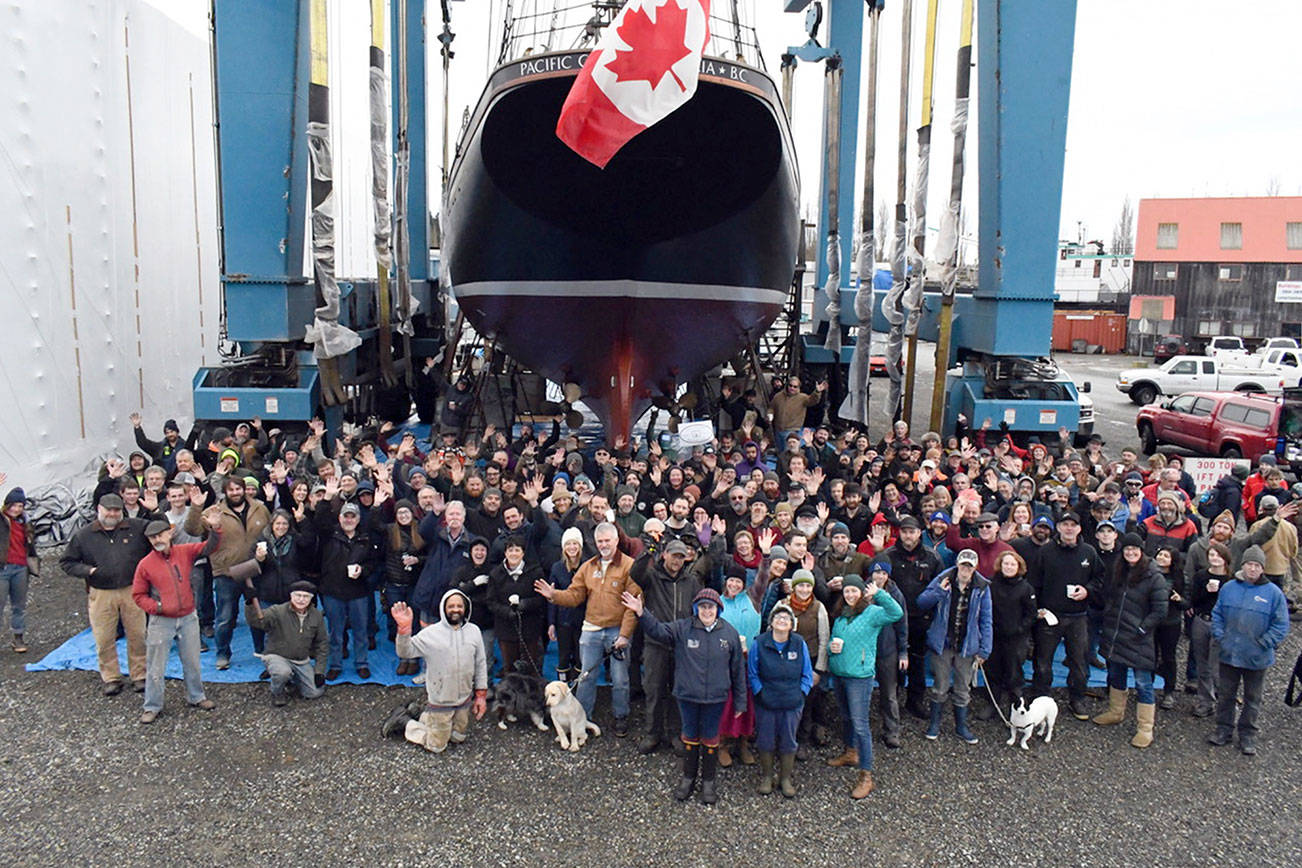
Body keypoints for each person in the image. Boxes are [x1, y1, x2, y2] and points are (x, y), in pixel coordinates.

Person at [621, 587, 747, 805]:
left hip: (716, 698)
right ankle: (688, 778)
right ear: (697, 609)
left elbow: (737, 670)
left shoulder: (730, 634)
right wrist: (642, 613)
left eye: (711, 607)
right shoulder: (682, 628)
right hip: (687, 696)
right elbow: (658, 631)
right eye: (703, 607)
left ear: (718, 610)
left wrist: (740, 701)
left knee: (710, 737)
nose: (707, 611)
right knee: (688, 735)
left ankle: (708, 781)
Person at [535, 522, 641, 736]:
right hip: (591, 629)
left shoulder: (629, 566)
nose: (603, 545)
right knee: (585, 677)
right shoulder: (588, 566)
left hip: (616, 630)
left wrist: (624, 635)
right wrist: (554, 595)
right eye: (600, 541)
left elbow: (632, 606)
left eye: (607, 541)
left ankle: (620, 716)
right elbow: (575, 595)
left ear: (616, 541)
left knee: (620, 680)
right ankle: (581, 717)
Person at [131, 517, 222, 723]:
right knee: (155, 666)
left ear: (169, 533)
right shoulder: (145, 565)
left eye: (159, 535)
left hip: (189, 617)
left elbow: (210, 547)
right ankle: (152, 706)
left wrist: (216, 528)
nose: (156, 540)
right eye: (152, 538)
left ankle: (196, 696)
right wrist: (158, 608)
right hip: (161, 621)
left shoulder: (185, 551)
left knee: (193, 661)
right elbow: (138, 595)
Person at [59, 494, 152, 695]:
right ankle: (111, 677)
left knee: (137, 634)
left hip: (132, 590)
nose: (112, 513)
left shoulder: (136, 527)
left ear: (122, 511)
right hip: (100, 593)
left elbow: (160, 528)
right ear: (99, 509)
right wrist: (89, 571)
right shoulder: (83, 535)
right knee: (104, 637)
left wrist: (154, 510)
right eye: (108, 509)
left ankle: (140, 675)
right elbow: (67, 562)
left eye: (116, 510)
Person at [825, 574, 904, 800]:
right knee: (846, 717)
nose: (850, 595)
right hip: (839, 674)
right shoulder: (841, 616)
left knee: (861, 725)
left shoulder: (871, 613)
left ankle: (866, 776)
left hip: (859, 676)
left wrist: (879, 593)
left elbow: (896, 613)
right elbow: (833, 643)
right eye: (847, 591)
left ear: (861, 593)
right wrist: (832, 649)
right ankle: (851, 752)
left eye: (854, 591)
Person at [1208, 545, 1291, 755]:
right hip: (1229, 652)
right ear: (1242, 565)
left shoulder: (1273, 593)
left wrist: (1265, 642)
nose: (1252, 569)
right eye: (1249, 564)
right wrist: (1220, 635)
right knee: (1226, 694)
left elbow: (1281, 624)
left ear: (1262, 568)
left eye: (1257, 565)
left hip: (1257, 657)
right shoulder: (1229, 588)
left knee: (1253, 698)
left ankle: (1248, 734)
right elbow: (1217, 613)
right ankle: (1223, 729)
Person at [1091, 533, 1168, 748]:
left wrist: (1142, 628)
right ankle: (1116, 711)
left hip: (1138, 638)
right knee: (1116, 674)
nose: (1130, 553)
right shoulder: (1118, 571)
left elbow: (1160, 610)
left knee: (1143, 682)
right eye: (1126, 550)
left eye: (1134, 549)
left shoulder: (1154, 576)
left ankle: (1145, 728)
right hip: (1116, 634)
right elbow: (1109, 598)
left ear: (1142, 551)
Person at [185, 476, 270, 670]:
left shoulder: (260, 508)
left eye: (238, 489)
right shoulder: (215, 512)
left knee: (258, 613)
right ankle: (223, 653)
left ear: (244, 489)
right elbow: (192, 529)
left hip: (256, 569)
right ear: (225, 492)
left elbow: (271, 530)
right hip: (226, 573)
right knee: (225, 617)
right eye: (231, 490)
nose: (235, 493)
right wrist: (196, 507)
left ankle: (261, 649)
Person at [1026, 511, 1105, 720]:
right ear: (1058, 528)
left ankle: (1077, 698)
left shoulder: (1089, 552)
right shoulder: (1045, 552)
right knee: (1043, 661)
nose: (1069, 528)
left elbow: (1100, 579)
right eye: (1065, 524)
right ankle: (1040, 697)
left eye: (1073, 525)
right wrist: (1038, 609)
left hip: (1078, 616)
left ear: (1079, 528)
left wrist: (1088, 590)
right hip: (1050, 615)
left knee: (1079, 661)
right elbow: (1034, 583)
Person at [391, 593, 489, 753]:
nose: (455, 610)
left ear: (466, 608)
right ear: (443, 609)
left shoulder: (474, 631)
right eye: (451, 606)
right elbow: (405, 652)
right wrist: (404, 630)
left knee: (458, 738)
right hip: (441, 700)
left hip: (464, 699)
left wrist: (481, 695)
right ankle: (404, 722)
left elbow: (480, 663)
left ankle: (424, 717)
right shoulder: (431, 633)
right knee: (436, 746)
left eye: (459, 606)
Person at [917, 549, 993, 745]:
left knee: (962, 688)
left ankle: (961, 726)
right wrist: (940, 592)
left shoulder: (983, 587)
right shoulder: (944, 578)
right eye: (963, 565)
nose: (965, 569)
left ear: (975, 567)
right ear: (957, 564)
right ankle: (934, 724)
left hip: (967, 646)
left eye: (969, 566)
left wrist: (985, 648)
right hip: (942, 643)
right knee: (939, 687)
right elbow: (922, 602)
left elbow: (986, 619)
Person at [748, 601, 813, 798]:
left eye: (786, 618)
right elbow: (752, 673)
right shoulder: (759, 643)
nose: (782, 620)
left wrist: (801, 693)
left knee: (788, 741)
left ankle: (785, 779)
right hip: (767, 701)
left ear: (792, 624)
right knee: (765, 739)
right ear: (771, 622)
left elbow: (807, 674)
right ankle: (767, 777)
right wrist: (760, 693)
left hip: (792, 702)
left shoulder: (799, 643)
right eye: (778, 617)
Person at [315, 500, 381, 680]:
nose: (349, 520)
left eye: (353, 516)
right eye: (346, 516)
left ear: (358, 519)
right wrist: (326, 499)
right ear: (340, 517)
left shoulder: (365, 539)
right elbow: (320, 521)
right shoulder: (329, 535)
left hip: (358, 592)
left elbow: (373, 563)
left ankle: (362, 663)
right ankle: (335, 665)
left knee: (361, 631)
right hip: (332, 591)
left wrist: (363, 571)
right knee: (336, 632)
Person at [245, 581, 330, 706]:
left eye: (306, 596)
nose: (301, 599)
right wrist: (250, 604)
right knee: (282, 672)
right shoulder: (277, 611)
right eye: (298, 595)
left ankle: (291, 680)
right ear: (291, 595)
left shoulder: (316, 616)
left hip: (301, 660)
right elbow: (257, 622)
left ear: (311, 599)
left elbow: (322, 644)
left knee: (314, 693)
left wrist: (319, 672)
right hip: (277, 656)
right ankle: (277, 692)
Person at [984, 550, 1037, 718]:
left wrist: (1019, 629)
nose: (1009, 567)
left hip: (1015, 639)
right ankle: (993, 705)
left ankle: (1017, 708)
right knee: (993, 671)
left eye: (1012, 564)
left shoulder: (1026, 588)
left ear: (1019, 567)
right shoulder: (991, 585)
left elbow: (1031, 614)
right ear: (1000, 565)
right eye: (1006, 563)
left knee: (1014, 673)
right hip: (994, 637)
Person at [717, 565, 760, 767]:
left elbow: (763, 580)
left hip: (748, 659)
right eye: (731, 580)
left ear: (744, 585)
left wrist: (766, 557)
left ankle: (743, 743)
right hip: (724, 662)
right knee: (727, 703)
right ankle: (723, 744)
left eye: (738, 582)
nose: (734, 584)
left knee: (748, 703)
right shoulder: (718, 602)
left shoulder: (752, 600)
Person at [487, 536, 546, 676]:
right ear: (505, 553)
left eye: (517, 550)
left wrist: (525, 604)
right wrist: (506, 612)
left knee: (531, 668)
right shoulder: (495, 574)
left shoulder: (535, 572)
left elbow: (542, 598)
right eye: (510, 550)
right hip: (506, 629)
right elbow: (491, 601)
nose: (513, 553)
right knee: (510, 668)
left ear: (523, 553)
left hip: (530, 629)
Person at [867, 561, 908, 749]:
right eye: (876, 573)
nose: (880, 577)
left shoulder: (896, 594)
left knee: (889, 694)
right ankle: (860, 731)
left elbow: (902, 624)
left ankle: (892, 731)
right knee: (863, 693)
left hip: (887, 650)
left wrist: (903, 652)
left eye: (884, 573)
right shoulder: (862, 591)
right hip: (865, 649)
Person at [1187, 541, 1231, 718]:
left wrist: (1218, 591)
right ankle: (1205, 702)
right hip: (1202, 620)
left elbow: (1230, 604)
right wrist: (1206, 591)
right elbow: (1195, 601)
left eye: (1218, 555)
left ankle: (1225, 704)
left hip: (1222, 624)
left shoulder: (1231, 580)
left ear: (1225, 558)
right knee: (1202, 663)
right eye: (1211, 555)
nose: (1214, 558)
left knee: (1218, 666)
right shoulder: (1201, 576)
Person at [547, 528, 587, 683]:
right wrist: (551, 623)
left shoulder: (587, 565)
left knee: (580, 656)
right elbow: (552, 597)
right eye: (568, 544)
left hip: (582, 620)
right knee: (563, 657)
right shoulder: (557, 567)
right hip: (563, 620)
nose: (572, 547)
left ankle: (578, 686)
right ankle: (563, 685)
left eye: (575, 544)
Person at [1, 485, 37, 653]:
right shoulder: (1, 520)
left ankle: (18, 637)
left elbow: (30, 544)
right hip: (3, 568)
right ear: (6, 505)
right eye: (13, 505)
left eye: (20, 506)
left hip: (20, 568)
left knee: (19, 606)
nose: (16, 509)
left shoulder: (26, 522)